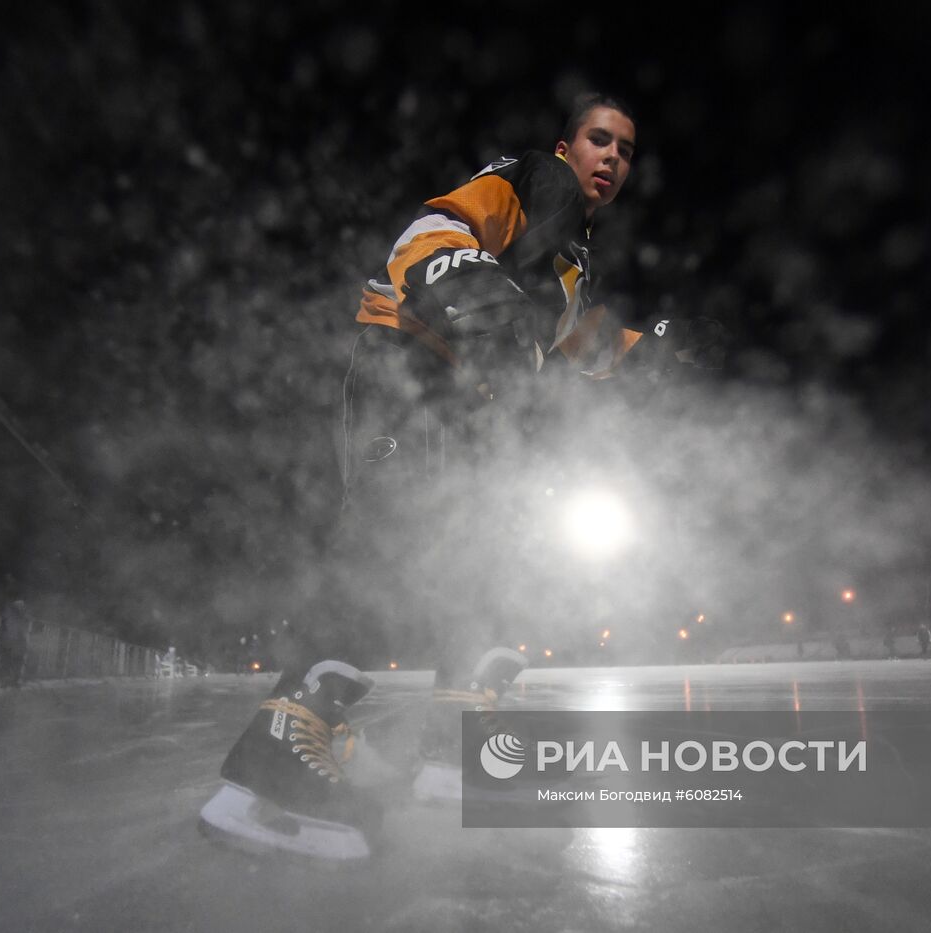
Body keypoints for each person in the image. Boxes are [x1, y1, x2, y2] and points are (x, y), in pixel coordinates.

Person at [200, 93, 694, 862]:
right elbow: (433, 230)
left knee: (473, 567)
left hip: (464, 407)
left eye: (627, 150)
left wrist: (647, 348)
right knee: (385, 548)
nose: (612, 158)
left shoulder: (570, 257)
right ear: (566, 147)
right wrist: (471, 290)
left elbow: (574, 342)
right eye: (599, 140)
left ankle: (452, 755)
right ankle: (267, 772)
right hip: (410, 366)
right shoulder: (536, 181)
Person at [0, 598, 30, 688]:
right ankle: (11, 681)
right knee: (14, 663)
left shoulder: (8, 615)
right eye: (22, 607)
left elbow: (3, 630)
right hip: (13, 643)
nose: (23, 608)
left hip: (8, 642)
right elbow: (21, 632)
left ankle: (6, 681)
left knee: (7, 662)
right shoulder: (21, 618)